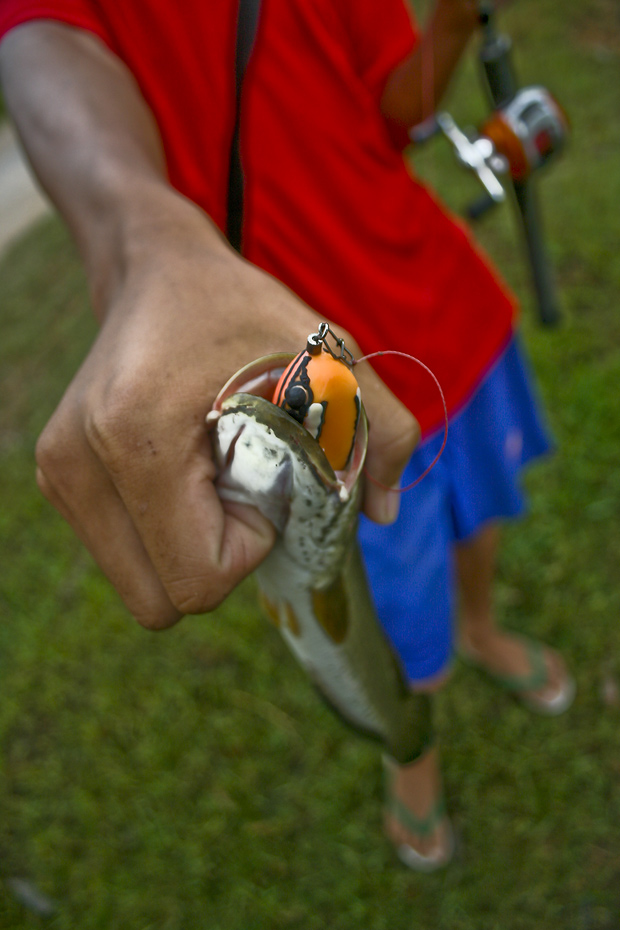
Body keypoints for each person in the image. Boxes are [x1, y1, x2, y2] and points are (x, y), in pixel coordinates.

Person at [0, 0, 573, 871]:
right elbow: (41, 46)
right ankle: (408, 745)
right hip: (309, 369)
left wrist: (451, 27)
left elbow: (395, 114)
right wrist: (138, 227)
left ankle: (481, 627)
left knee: (479, 513)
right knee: (376, 591)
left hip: (442, 297)